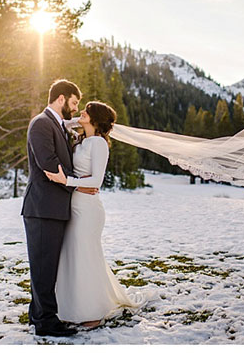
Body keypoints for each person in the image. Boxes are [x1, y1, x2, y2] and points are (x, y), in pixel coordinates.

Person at [45, 101, 148, 329]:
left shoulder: (99, 144)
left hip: (88, 210)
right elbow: (64, 123)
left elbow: (96, 181)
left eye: (86, 111)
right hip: (74, 205)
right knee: (73, 256)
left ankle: (94, 312)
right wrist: (80, 121)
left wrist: (66, 181)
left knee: (86, 257)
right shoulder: (81, 140)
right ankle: (72, 308)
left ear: (96, 119)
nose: (81, 112)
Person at [21, 79, 98, 337]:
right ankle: (46, 322)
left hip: (53, 207)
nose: (75, 109)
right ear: (61, 98)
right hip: (43, 207)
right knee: (43, 267)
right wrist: (78, 185)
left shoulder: (57, 125)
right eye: (74, 103)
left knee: (47, 266)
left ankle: (37, 315)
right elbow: (49, 164)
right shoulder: (41, 123)